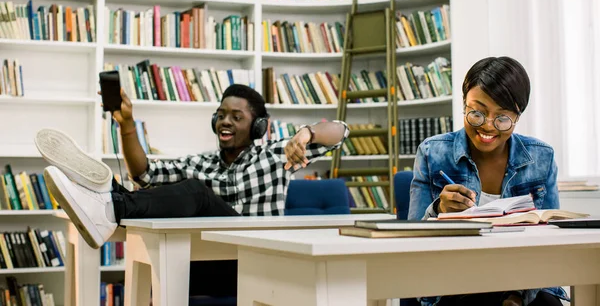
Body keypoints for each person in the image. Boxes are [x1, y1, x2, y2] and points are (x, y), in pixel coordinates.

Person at [35, 83, 349, 246]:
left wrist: (307, 133)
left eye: (236, 117)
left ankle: (108, 204)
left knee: (197, 193)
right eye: (221, 114)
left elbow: (341, 132)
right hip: (206, 260)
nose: (225, 122)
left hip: (257, 254)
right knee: (185, 189)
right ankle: (110, 199)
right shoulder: (199, 163)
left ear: (258, 127)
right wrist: (127, 125)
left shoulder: (277, 155)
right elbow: (145, 173)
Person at [408, 57, 568, 306]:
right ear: (464, 104)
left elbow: (550, 246)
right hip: (455, 285)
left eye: (502, 118)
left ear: (518, 116)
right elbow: (411, 242)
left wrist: (518, 295)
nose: (488, 127)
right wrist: (438, 210)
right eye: (477, 113)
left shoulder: (541, 157)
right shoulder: (432, 153)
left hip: (523, 282)